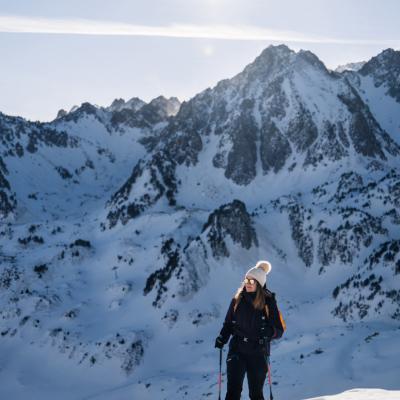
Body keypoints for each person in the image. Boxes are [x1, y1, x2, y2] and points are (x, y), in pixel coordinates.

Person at [214, 260, 285, 400]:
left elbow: (279, 329)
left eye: (252, 281)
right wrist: (222, 337)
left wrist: (270, 332)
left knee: (256, 394)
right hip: (237, 349)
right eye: (246, 280)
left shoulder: (268, 302)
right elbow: (228, 324)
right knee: (233, 393)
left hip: (258, 352)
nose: (247, 283)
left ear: (259, 284)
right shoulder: (237, 300)